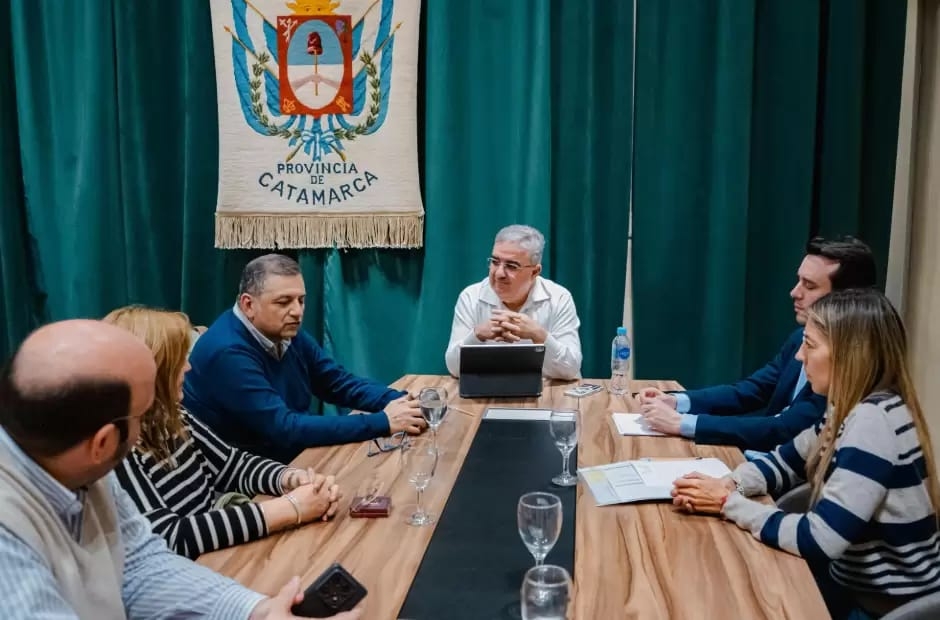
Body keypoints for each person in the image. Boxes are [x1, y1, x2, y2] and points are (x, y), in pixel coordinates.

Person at [0, 319, 360, 619]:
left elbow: (142, 565)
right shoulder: (8, 536)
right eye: (141, 416)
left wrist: (256, 610)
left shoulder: (83, 468)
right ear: (103, 443)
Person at [670, 289, 940, 619]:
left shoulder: (872, 422)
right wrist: (730, 484)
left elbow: (820, 539)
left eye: (810, 345)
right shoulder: (847, 408)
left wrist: (728, 504)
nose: (799, 356)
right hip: (851, 584)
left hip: (877, 606)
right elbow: (785, 461)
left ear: (850, 354)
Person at [104, 306, 341, 559]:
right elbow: (169, 536)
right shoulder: (118, 450)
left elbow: (233, 465)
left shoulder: (173, 415)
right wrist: (292, 507)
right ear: (154, 370)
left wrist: (291, 478)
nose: (188, 367)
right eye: (178, 360)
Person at [638, 236, 877, 451]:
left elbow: (784, 429)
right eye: (798, 281)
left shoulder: (853, 363)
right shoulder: (799, 337)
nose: (794, 292)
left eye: (810, 286)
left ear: (845, 300)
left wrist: (683, 423)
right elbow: (753, 390)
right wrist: (677, 401)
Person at [184, 254, 426, 463]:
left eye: (301, 300)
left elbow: (338, 383)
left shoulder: (283, 330)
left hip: (287, 456)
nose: (297, 311)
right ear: (248, 305)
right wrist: (384, 421)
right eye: (284, 302)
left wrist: (405, 402)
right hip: (249, 475)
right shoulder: (227, 352)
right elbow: (284, 428)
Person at [444, 224, 582, 380]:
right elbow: (454, 368)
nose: (499, 273)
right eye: (495, 262)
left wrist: (538, 335)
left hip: (548, 391)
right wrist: (477, 335)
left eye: (511, 266)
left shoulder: (559, 298)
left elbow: (571, 369)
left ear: (535, 272)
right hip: (487, 390)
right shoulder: (471, 297)